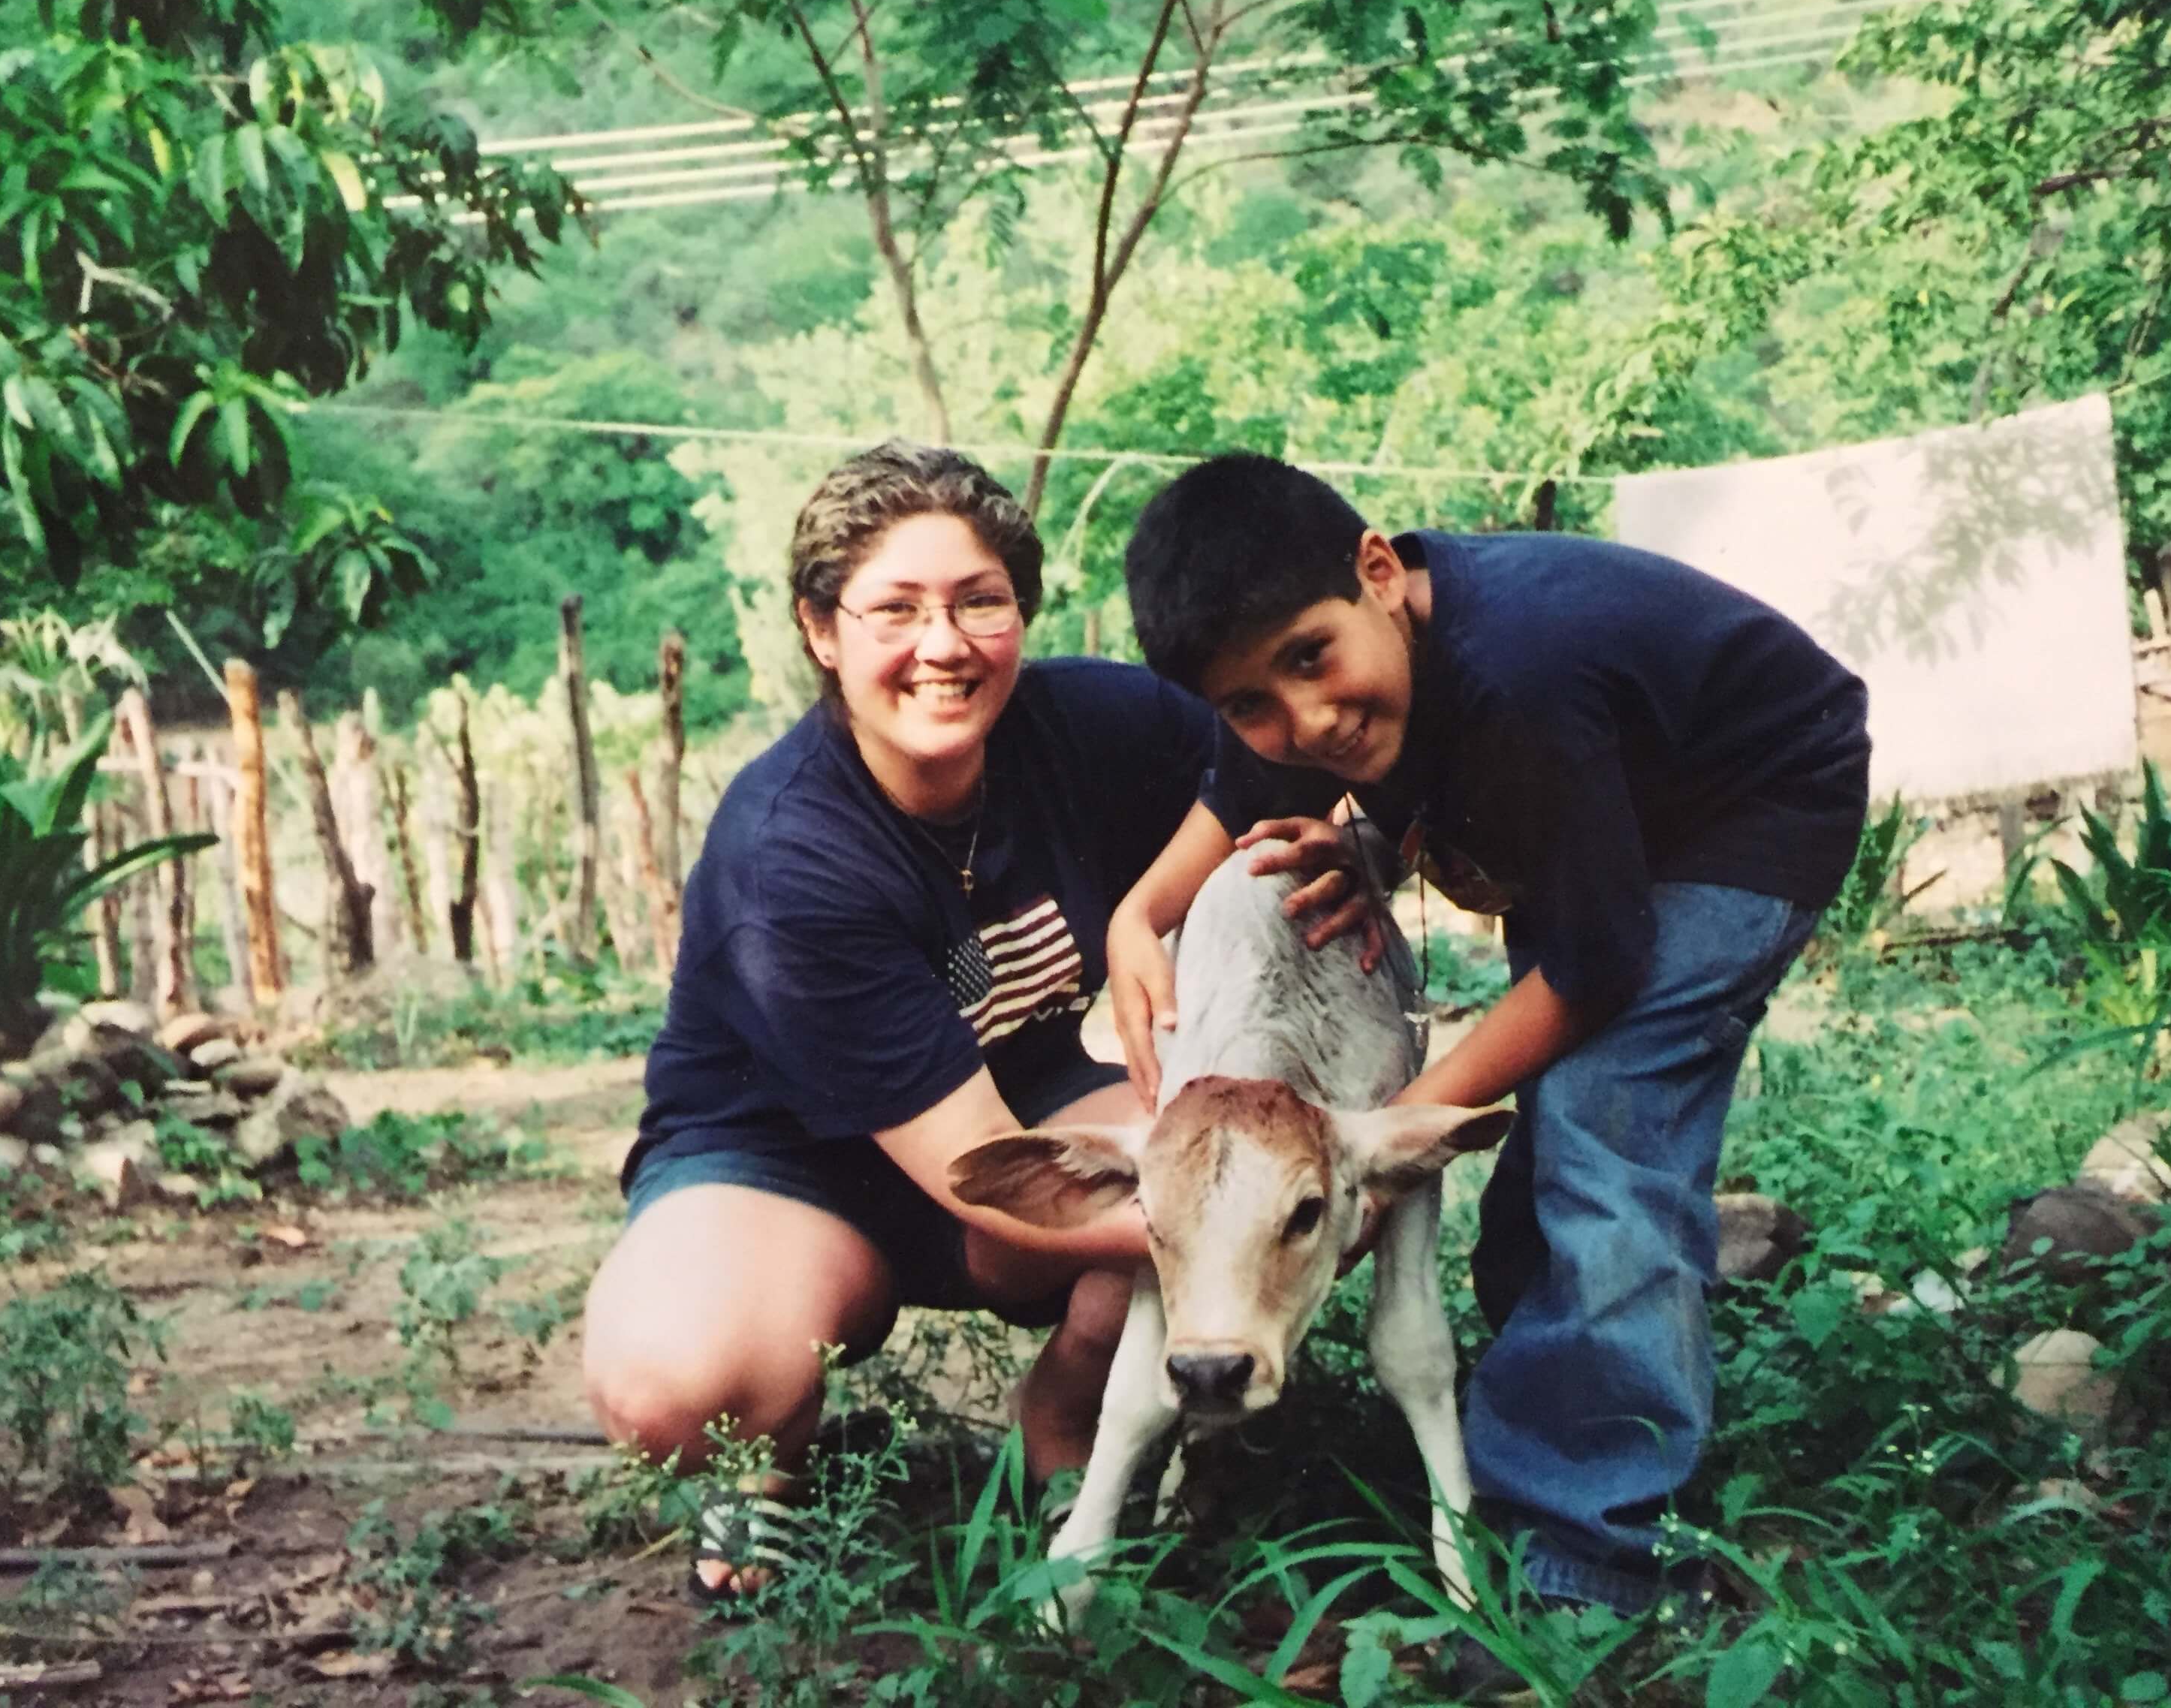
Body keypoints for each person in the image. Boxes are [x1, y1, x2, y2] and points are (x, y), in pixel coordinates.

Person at [1108, 453, 1869, 1622]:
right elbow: (1239, 789)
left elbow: (1596, 965)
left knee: (1609, 1137)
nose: (1301, 720)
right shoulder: (1325, 664)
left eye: (1313, 660)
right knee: (1554, 1120)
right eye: (1251, 700)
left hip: (1744, 813)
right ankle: (1559, 1377)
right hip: (1590, 828)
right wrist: (1141, 915)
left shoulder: (1520, 672)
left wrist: (1378, 1145)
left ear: (1377, 571)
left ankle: (1586, 1559)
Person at [583, 444, 1214, 1599]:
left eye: (982, 603)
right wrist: (1252, 1219)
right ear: (822, 631)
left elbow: (1270, 763)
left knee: (1235, 1138)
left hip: (1015, 1108)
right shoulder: (793, 856)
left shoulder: (1095, 724)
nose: (945, 645)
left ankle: (1070, 1415)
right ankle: (764, 1469)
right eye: (896, 609)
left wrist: (1227, 877)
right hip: (788, 1171)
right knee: (676, 1376)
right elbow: (983, 1174)